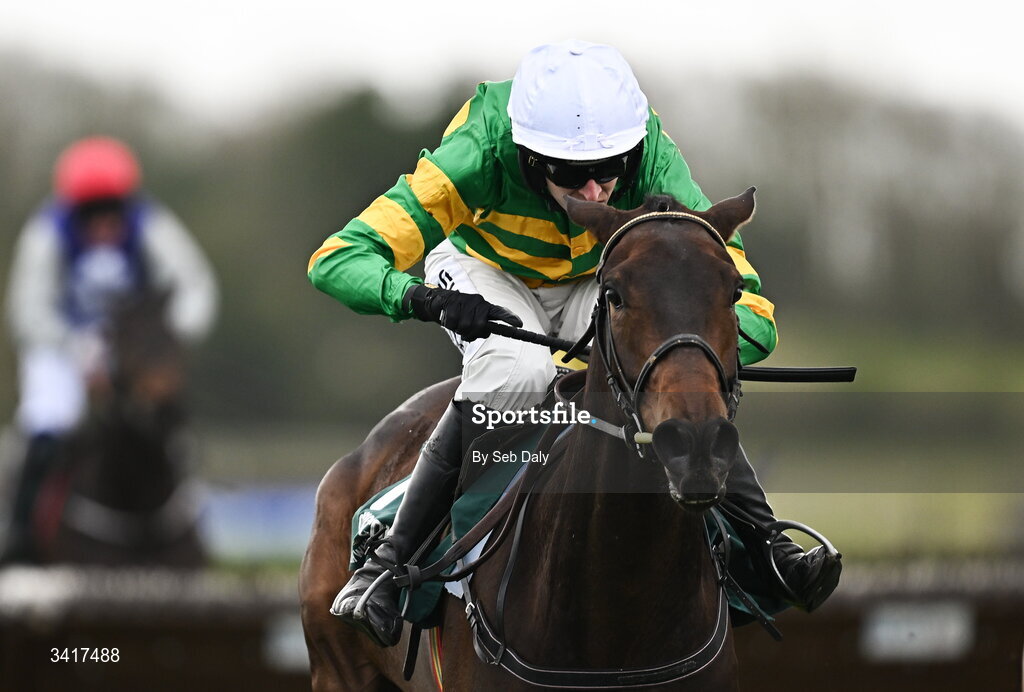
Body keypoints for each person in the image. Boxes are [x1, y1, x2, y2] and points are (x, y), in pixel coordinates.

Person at [309, 41, 841, 647]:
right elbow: (337, 259)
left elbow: (746, 303)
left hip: (602, 276)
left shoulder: (651, 154)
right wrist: (422, 299)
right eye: (568, 173)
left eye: (609, 168)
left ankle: (768, 545)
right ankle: (388, 565)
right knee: (518, 372)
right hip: (485, 271)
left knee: (672, 374)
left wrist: (690, 354)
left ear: (631, 148)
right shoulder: (479, 151)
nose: (592, 191)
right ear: (529, 156)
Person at [1, 136, 218, 562]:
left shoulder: (152, 225)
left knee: (169, 427)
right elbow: (27, 310)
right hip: (61, 347)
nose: (102, 223)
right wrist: (76, 348)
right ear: (72, 209)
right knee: (47, 421)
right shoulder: (45, 234)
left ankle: (190, 522)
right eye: (90, 213)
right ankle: (19, 531)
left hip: (133, 347)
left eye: (111, 210)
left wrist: (164, 337)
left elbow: (196, 287)